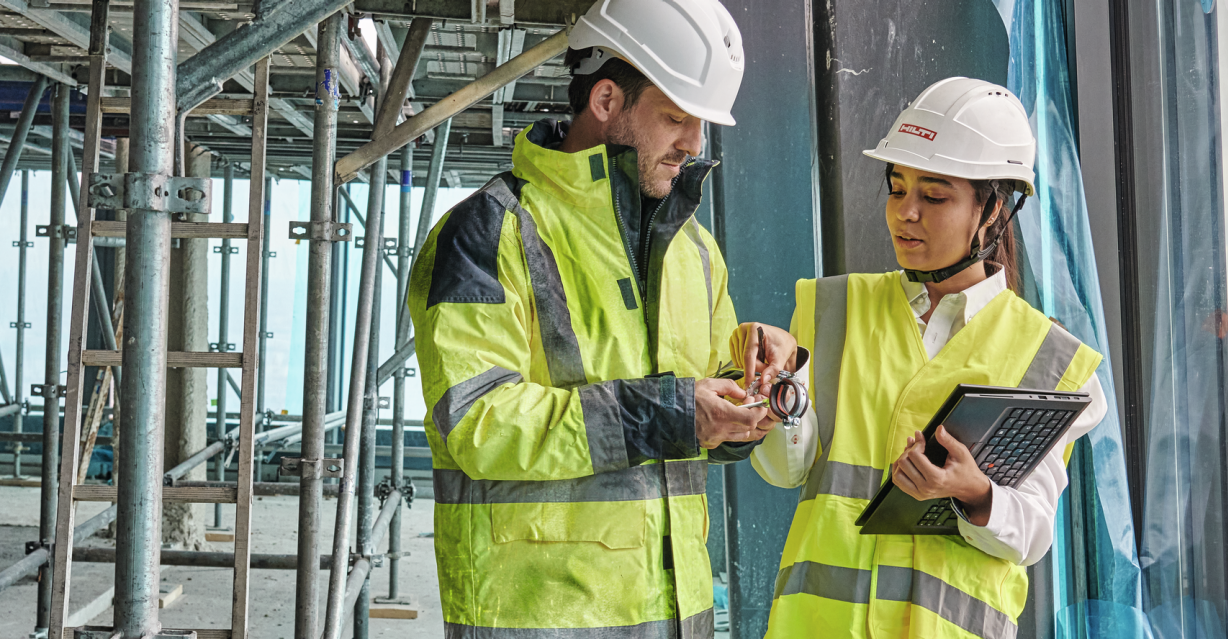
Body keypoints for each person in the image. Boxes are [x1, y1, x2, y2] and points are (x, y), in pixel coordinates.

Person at [406, 1, 790, 636]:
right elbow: (476, 422)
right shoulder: (489, 231)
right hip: (539, 618)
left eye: (700, 123)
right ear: (607, 100)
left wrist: (747, 405)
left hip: (673, 619)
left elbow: (694, 414)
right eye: (676, 116)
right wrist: (668, 413)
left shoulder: (694, 246)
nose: (694, 143)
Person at [738, 77, 1109, 638]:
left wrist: (972, 492)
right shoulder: (832, 308)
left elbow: (1032, 535)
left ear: (994, 211)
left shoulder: (1045, 358)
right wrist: (777, 389)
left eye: (934, 196)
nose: (905, 213)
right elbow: (787, 471)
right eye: (896, 188)